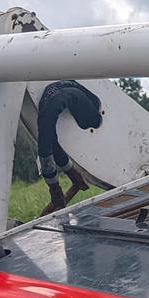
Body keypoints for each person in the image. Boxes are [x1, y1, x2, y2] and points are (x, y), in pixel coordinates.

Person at [37, 80, 103, 212]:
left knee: (47, 131)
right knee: (47, 133)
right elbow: (47, 147)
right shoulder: (53, 107)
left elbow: (48, 145)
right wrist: (55, 187)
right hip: (68, 94)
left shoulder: (51, 107)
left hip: (66, 94)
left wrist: (68, 175)